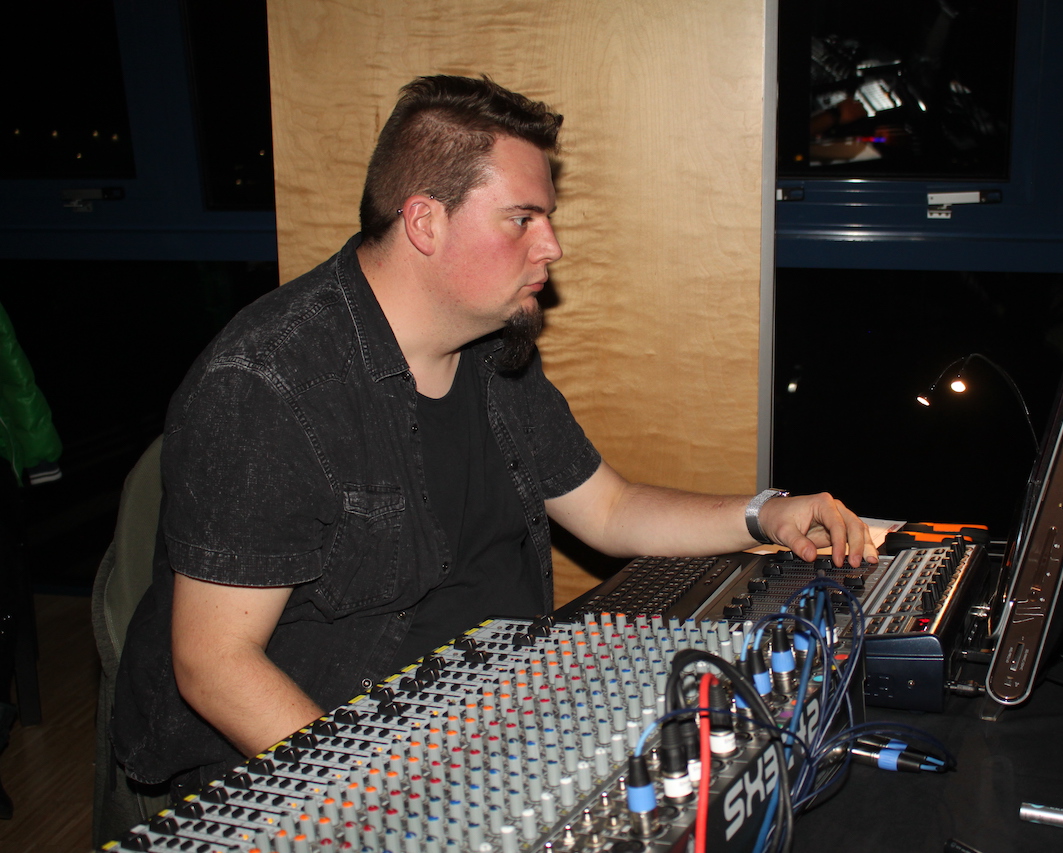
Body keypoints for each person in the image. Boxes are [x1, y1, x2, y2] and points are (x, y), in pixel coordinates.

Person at [110, 74, 875, 812]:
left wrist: (764, 512)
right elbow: (214, 664)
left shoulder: (492, 351)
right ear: (425, 222)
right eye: (522, 219)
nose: (552, 247)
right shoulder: (267, 383)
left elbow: (609, 508)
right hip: (340, 763)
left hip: (499, 718)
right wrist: (398, 806)